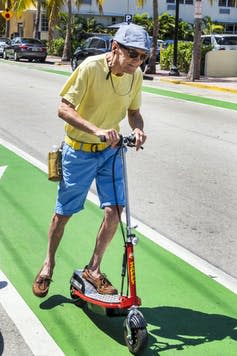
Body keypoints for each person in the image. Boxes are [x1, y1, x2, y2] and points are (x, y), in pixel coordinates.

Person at [32, 23, 150, 298]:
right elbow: (63, 108)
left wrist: (138, 129)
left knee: (116, 209)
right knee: (64, 213)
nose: (137, 61)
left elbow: (134, 112)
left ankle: (93, 270)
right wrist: (96, 130)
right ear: (115, 48)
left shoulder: (136, 76)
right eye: (133, 54)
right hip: (79, 150)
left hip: (111, 151)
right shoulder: (90, 67)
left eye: (143, 56)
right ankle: (49, 263)